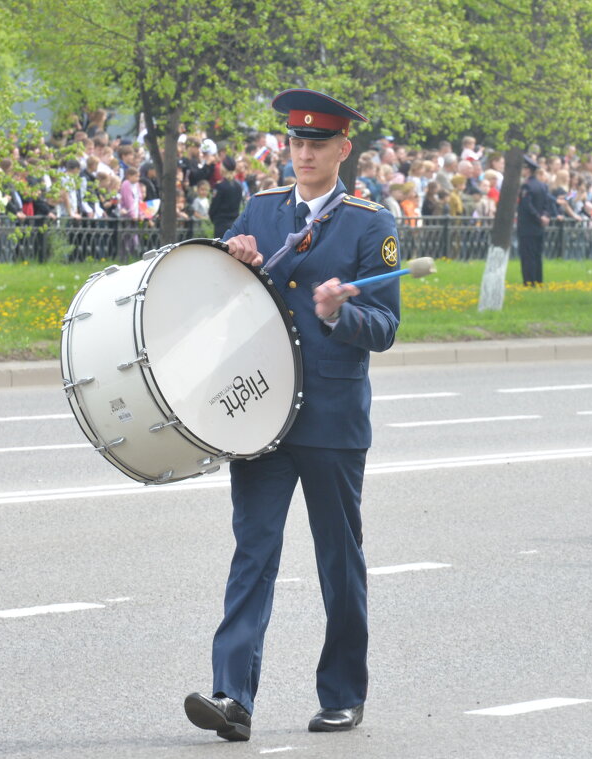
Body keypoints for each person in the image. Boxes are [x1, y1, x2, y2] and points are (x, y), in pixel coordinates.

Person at [184, 88, 400, 741]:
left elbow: (386, 326)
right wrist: (237, 258)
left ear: (343, 149)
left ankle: (342, 692)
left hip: (332, 417)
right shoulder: (261, 210)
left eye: (318, 144)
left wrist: (341, 313)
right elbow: (223, 300)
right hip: (262, 410)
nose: (304, 153)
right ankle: (232, 695)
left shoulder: (371, 224)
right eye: (297, 143)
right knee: (253, 551)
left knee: (338, 557)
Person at [516, 156, 552, 285]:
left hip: (527, 226)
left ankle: (529, 280)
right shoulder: (542, 186)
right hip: (539, 226)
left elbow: (527, 205)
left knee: (527, 255)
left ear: (527, 170)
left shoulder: (526, 186)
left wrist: (537, 216)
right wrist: (545, 216)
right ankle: (538, 279)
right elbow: (547, 204)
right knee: (537, 254)